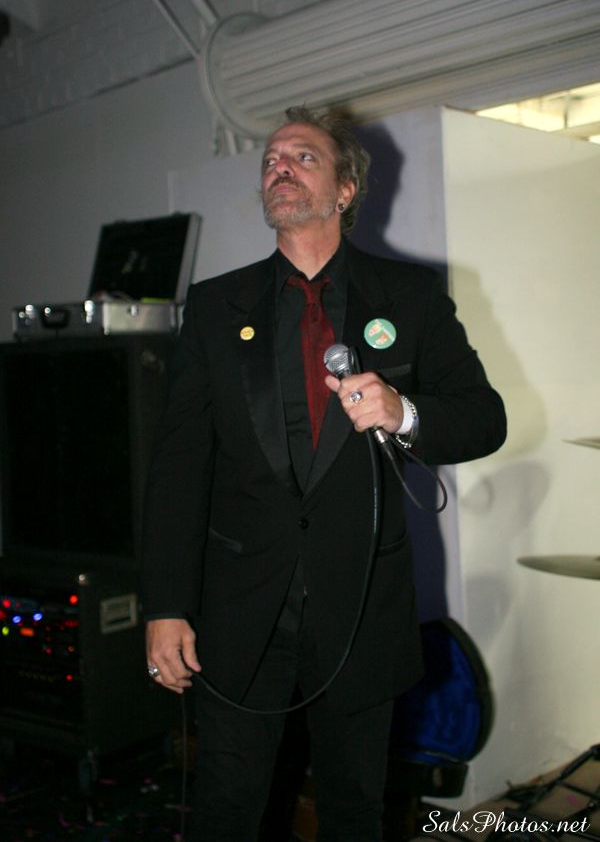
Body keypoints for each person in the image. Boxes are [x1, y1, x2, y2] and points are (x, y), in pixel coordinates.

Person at [141, 105, 506, 841]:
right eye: (271, 159)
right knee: (226, 811)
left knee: (353, 812)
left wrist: (404, 411)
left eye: (302, 156)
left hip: (361, 607)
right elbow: (178, 468)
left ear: (345, 189)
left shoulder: (408, 297)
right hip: (241, 613)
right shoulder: (215, 308)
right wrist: (165, 605)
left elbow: (484, 418)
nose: (279, 166)